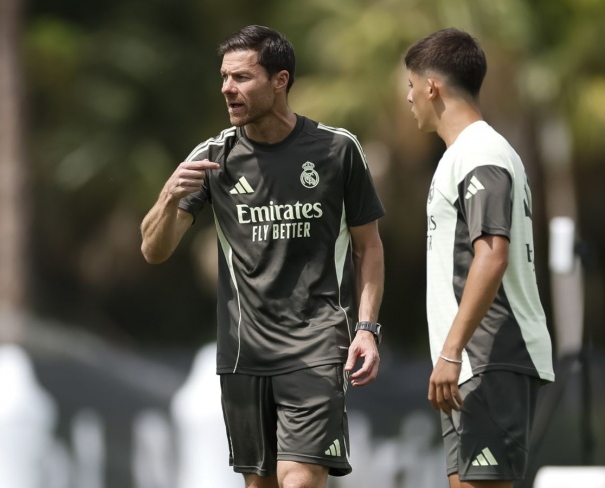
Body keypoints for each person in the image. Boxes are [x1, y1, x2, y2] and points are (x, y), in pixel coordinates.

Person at [140, 25, 385, 488]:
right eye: (224, 77)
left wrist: (368, 328)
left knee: (301, 480)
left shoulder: (337, 149)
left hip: (316, 345)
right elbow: (154, 250)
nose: (227, 88)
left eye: (241, 77)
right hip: (243, 353)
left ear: (279, 80)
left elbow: (368, 245)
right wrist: (168, 197)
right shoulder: (213, 156)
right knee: (261, 484)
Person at [403, 28, 555, 488]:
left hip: (490, 354)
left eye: (411, 85)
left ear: (432, 87)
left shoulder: (479, 151)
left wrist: (452, 351)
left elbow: (492, 256)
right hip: (470, 361)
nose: (408, 97)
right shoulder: (462, 155)